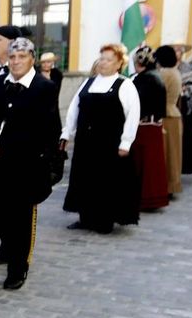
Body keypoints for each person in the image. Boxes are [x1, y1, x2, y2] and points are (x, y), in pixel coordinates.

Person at [0, 37, 61, 290]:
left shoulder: (44, 88)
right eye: (12, 57)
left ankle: (17, 269)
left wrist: (0, 147)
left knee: (19, 221)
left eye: (22, 57)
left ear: (32, 59)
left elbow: (46, 130)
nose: (16, 62)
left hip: (26, 166)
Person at [61, 43, 139, 233]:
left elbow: (133, 114)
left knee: (106, 182)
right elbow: (74, 109)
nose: (103, 63)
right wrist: (66, 132)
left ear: (119, 63)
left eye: (108, 59)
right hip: (86, 142)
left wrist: (126, 143)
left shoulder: (125, 84)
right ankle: (85, 217)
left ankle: (104, 220)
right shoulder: (88, 83)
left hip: (109, 143)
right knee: (84, 179)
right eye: (102, 58)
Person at [130, 46, 170, 211]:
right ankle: (154, 197)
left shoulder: (144, 79)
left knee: (144, 162)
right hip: (155, 125)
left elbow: (138, 104)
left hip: (144, 127)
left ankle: (145, 198)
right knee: (154, 163)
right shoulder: (157, 77)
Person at [153, 46, 184, 195]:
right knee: (174, 153)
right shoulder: (175, 71)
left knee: (166, 153)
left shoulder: (164, 73)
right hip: (173, 114)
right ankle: (172, 184)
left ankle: (166, 186)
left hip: (166, 115)